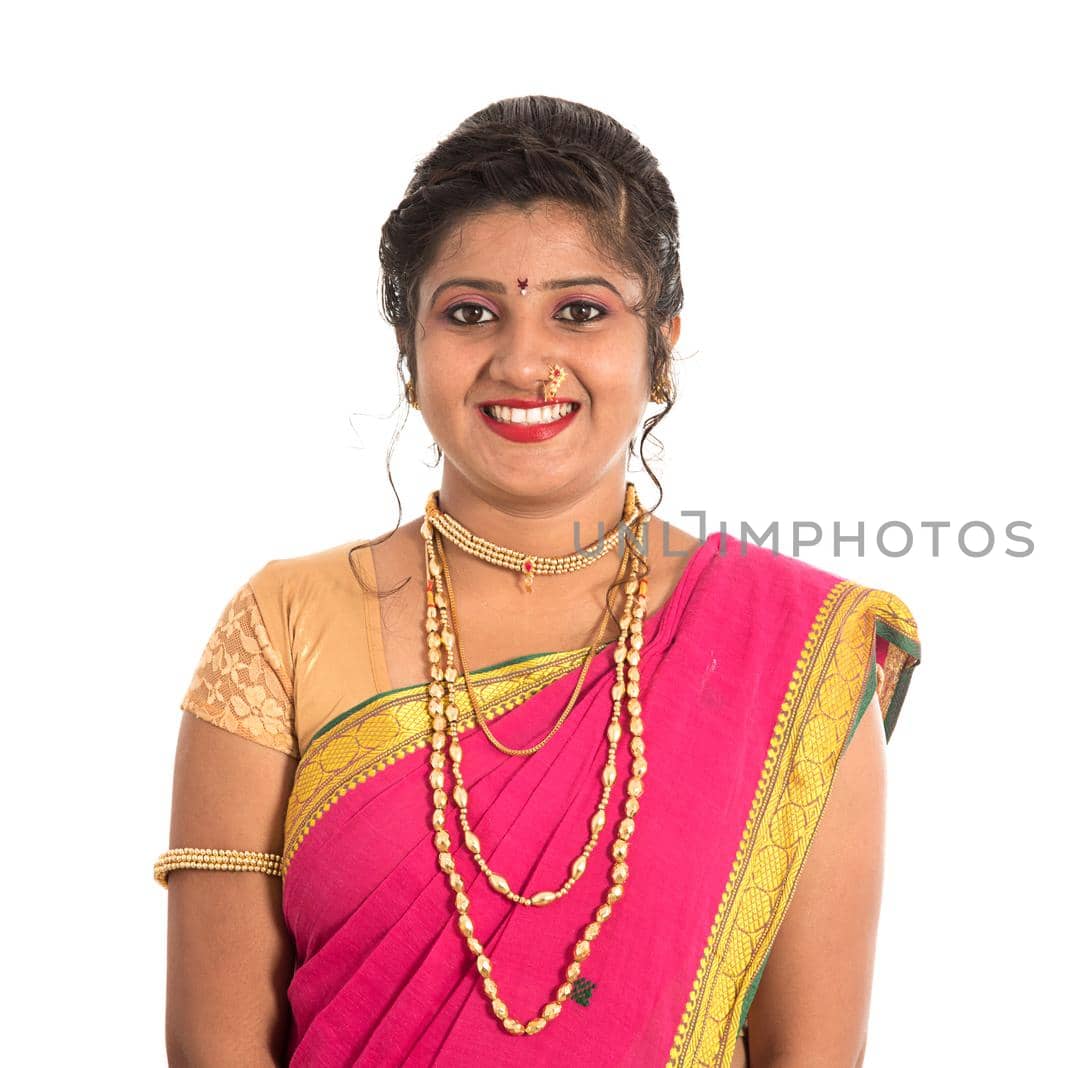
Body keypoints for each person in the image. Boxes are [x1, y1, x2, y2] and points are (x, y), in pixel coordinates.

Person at [157, 95, 921, 1067]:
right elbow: (216, 1048)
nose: (524, 361)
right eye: (470, 312)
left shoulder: (797, 647)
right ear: (407, 344)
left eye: (580, 311)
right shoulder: (282, 625)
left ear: (660, 346)